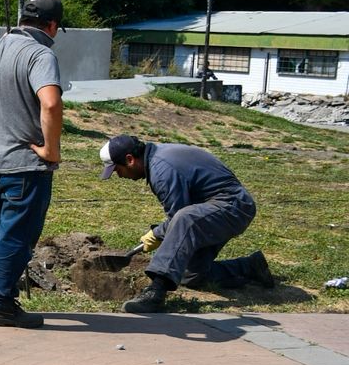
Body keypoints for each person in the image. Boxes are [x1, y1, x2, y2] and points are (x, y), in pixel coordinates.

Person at [0, 0, 66, 328]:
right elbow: (51, 103)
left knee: (1, 231)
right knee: (18, 236)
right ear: (51, 25)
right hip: (26, 164)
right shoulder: (40, 54)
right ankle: (0, 303)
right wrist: (51, 150)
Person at [99, 134, 275, 313]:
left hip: (233, 207)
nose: (119, 176)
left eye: (117, 170)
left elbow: (179, 219)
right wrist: (159, 233)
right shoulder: (157, 157)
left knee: (184, 219)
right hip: (215, 207)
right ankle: (249, 266)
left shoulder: (161, 170)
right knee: (188, 275)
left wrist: (157, 233)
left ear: (130, 159)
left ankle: (156, 292)